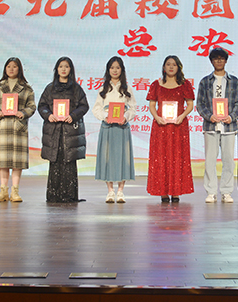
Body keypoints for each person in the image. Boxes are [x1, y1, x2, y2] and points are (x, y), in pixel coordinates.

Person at [196, 48, 238, 204]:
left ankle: (226, 191)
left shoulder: (234, 81)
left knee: (228, 160)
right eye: (215, 58)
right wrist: (209, 116)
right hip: (211, 126)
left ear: (226, 61)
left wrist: (232, 117)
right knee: (210, 160)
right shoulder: (205, 81)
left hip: (229, 127)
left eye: (221, 58)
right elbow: (200, 104)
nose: (219, 61)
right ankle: (211, 191)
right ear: (211, 61)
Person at [39, 57, 89, 203]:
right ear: (57, 69)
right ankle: (53, 195)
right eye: (61, 66)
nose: (63, 69)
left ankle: (70, 195)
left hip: (70, 131)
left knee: (69, 162)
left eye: (66, 66)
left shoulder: (76, 88)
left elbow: (84, 106)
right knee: (55, 161)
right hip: (54, 131)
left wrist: (73, 116)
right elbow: (42, 106)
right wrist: (48, 115)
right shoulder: (50, 88)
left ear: (70, 69)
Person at [0, 58, 36, 203]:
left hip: (17, 127)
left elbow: (32, 106)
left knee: (16, 161)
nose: (11, 69)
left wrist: (23, 113)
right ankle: (3, 190)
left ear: (19, 69)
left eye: (14, 66)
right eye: (9, 66)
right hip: (2, 126)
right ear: (5, 68)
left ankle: (15, 191)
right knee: (3, 161)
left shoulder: (26, 88)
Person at [147, 55, 195, 202]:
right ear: (164, 67)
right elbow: (152, 105)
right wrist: (157, 117)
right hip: (160, 126)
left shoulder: (185, 84)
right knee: (161, 157)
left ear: (178, 67)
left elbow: (190, 104)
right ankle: (163, 191)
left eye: (174, 64)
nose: (171, 67)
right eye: (168, 64)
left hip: (179, 127)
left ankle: (176, 192)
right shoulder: (156, 84)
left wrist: (182, 116)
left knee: (178, 157)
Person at [91, 56, 136, 203]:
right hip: (108, 127)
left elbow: (133, 108)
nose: (115, 70)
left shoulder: (127, 89)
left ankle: (121, 191)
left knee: (123, 158)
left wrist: (126, 117)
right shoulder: (103, 89)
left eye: (117, 67)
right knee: (107, 158)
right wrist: (105, 117)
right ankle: (110, 191)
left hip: (122, 128)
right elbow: (96, 108)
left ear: (122, 70)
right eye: (112, 68)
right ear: (108, 70)